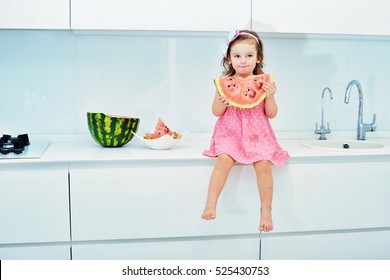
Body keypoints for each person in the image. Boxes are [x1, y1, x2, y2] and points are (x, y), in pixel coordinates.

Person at [202, 29, 289, 232]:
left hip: (257, 135)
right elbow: (216, 112)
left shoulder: (264, 84)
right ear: (229, 59)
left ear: (258, 58)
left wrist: (270, 96)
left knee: (264, 164)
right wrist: (221, 100)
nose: (243, 61)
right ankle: (211, 203)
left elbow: (272, 113)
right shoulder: (223, 84)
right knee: (223, 159)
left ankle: (266, 211)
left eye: (249, 56)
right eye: (237, 56)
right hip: (230, 134)